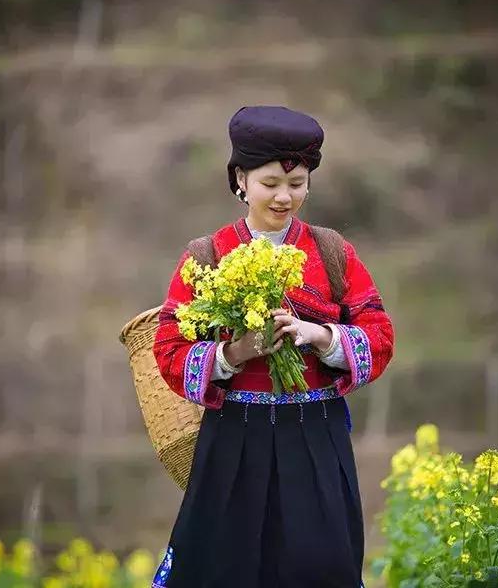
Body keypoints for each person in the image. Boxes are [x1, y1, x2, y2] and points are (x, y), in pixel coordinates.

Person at [151, 105, 395, 588]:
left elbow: (380, 336)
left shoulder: (332, 253)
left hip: (315, 440)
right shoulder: (209, 256)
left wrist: (318, 336)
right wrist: (234, 353)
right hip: (234, 443)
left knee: (319, 572)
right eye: (270, 183)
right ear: (240, 179)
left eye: (298, 183)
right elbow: (168, 349)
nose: (285, 197)